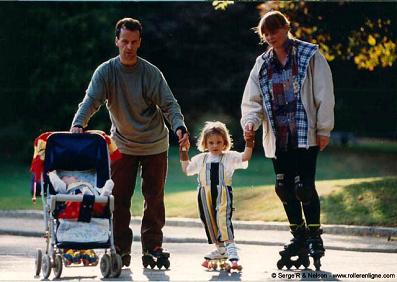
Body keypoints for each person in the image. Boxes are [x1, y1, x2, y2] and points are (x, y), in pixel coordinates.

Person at [70, 18, 189, 268]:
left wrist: (179, 126)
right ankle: (120, 248)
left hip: (154, 143)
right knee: (118, 197)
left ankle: (153, 246)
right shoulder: (106, 72)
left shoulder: (150, 72)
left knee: (154, 198)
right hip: (122, 144)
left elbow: (169, 104)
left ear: (140, 42)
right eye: (124, 41)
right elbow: (90, 100)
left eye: (134, 42)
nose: (129, 47)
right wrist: (78, 123)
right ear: (117, 41)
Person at [241, 11, 334, 270]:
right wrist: (250, 122)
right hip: (279, 136)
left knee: (303, 186)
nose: (271, 37)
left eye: (275, 31)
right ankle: (299, 237)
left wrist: (324, 129)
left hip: (305, 134)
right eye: (266, 33)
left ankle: (315, 237)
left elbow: (324, 93)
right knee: (283, 187)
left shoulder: (309, 55)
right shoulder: (262, 64)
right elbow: (252, 101)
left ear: (286, 28)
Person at [180, 121, 253, 271]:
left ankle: (231, 250)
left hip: (223, 193)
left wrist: (249, 142)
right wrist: (183, 151)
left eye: (219, 142)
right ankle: (220, 249)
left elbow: (245, 157)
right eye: (211, 142)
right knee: (210, 222)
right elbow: (187, 170)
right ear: (205, 143)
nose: (215, 145)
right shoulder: (201, 159)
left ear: (225, 142)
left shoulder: (229, 157)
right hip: (204, 194)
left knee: (223, 220)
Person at [48, 171, 114, 266]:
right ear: (63, 181)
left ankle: (104, 194)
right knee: (79, 197)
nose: (73, 176)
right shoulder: (66, 188)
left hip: (93, 203)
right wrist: (52, 175)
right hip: (73, 207)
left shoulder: (88, 184)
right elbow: (57, 185)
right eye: (67, 177)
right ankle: (95, 197)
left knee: (98, 196)